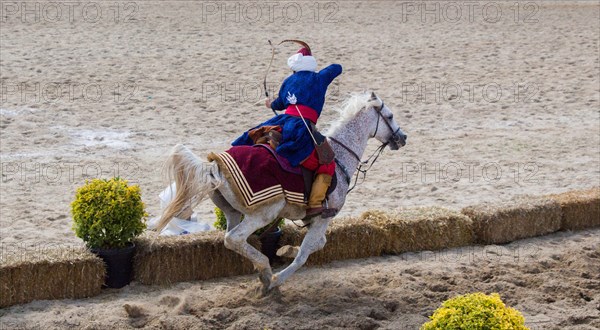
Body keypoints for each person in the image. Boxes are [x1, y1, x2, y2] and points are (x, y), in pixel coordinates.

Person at [232, 46, 342, 217]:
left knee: (256, 133)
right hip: (303, 126)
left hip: (283, 121)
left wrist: (270, 104)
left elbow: (279, 104)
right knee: (327, 160)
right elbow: (337, 67)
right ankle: (314, 204)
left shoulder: (288, 81)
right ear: (311, 64)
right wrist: (321, 73)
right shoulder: (319, 78)